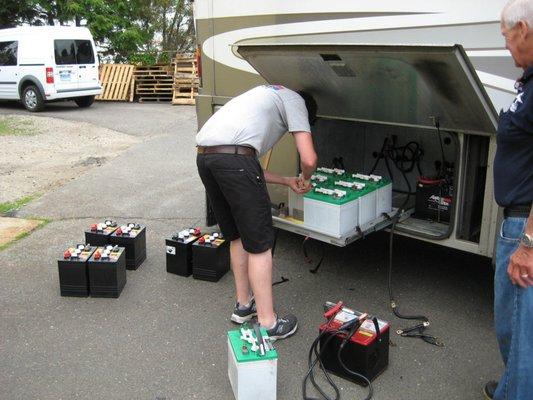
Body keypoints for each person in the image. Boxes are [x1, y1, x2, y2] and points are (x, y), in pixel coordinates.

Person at [195, 85, 318, 340]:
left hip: (206, 159)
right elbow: (308, 159)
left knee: (237, 236)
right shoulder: (295, 100)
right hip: (234, 162)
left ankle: (243, 306)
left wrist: (286, 181)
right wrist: (305, 179)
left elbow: (243, 165)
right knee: (261, 244)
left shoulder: (263, 95)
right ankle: (268, 324)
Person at [484, 1, 533, 399]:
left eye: (506, 37)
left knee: (521, 335)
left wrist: (529, 244)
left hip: (525, 228)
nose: (506, 46)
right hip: (517, 223)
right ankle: (509, 386)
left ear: (523, 29)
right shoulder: (530, 83)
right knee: (513, 329)